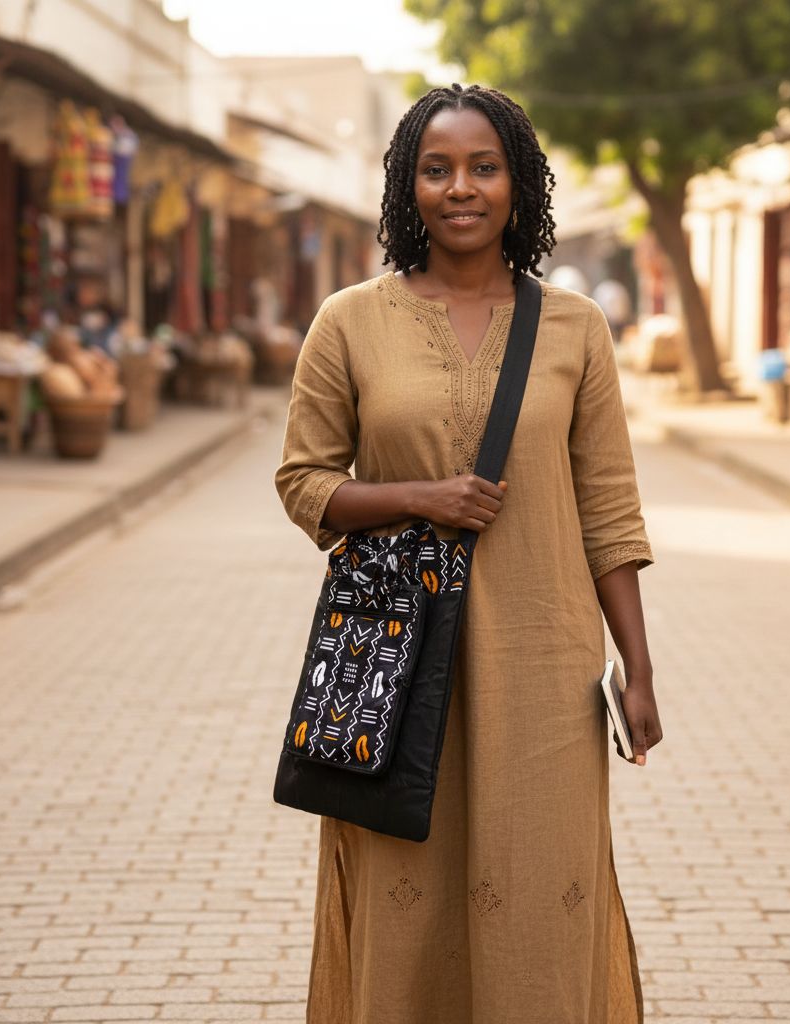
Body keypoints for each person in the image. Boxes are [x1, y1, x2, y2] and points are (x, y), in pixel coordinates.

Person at [275, 83, 663, 1024]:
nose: (461, 187)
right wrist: (420, 496)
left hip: (544, 666)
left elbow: (608, 510)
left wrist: (639, 671)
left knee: (542, 893)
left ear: (519, 186)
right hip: (395, 667)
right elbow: (304, 481)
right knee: (407, 894)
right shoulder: (349, 321)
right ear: (407, 188)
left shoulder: (575, 328)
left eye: (483, 168)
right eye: (436, 169)